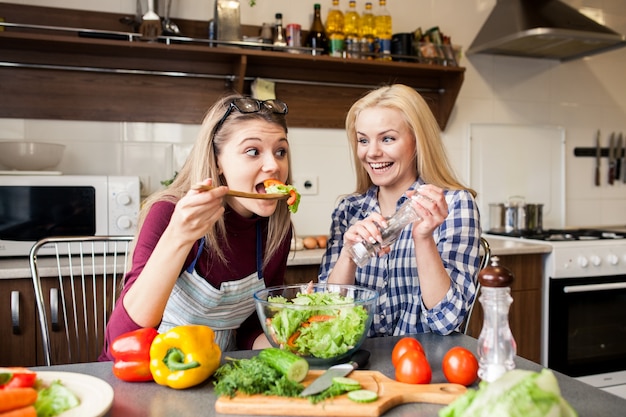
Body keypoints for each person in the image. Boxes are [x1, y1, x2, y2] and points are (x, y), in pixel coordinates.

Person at [99, 94, 294, 361]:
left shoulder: (276, 228)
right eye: (253, 151)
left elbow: (251, 325)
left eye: (280, 151)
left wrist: (288, 345)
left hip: (220, 370)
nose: (274, 165)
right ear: (217, 161)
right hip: (149, 370)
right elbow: (121, 341)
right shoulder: (169, 214)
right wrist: (178, 236)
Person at [318, 84, 481, 338]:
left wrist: (423, 239)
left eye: (387, 138)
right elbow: (325, 319)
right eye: (363, 140)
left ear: (417, 141)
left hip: (424, 366)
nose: (371, 152)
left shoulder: (454, 205)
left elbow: (447, 322)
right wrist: (348, 257)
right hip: (356, 362)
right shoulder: (348, 210)